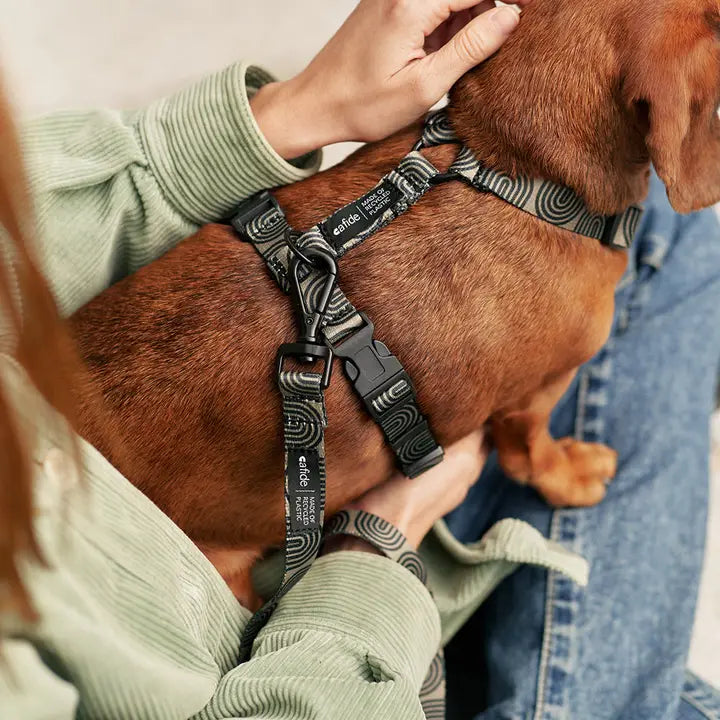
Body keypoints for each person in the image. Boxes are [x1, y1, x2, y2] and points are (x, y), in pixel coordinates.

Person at [0, 1, 718, 719]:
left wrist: (289, 113)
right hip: (289, 644)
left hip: (103, 439)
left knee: (671, 237)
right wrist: (376, 551)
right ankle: (536, 465)